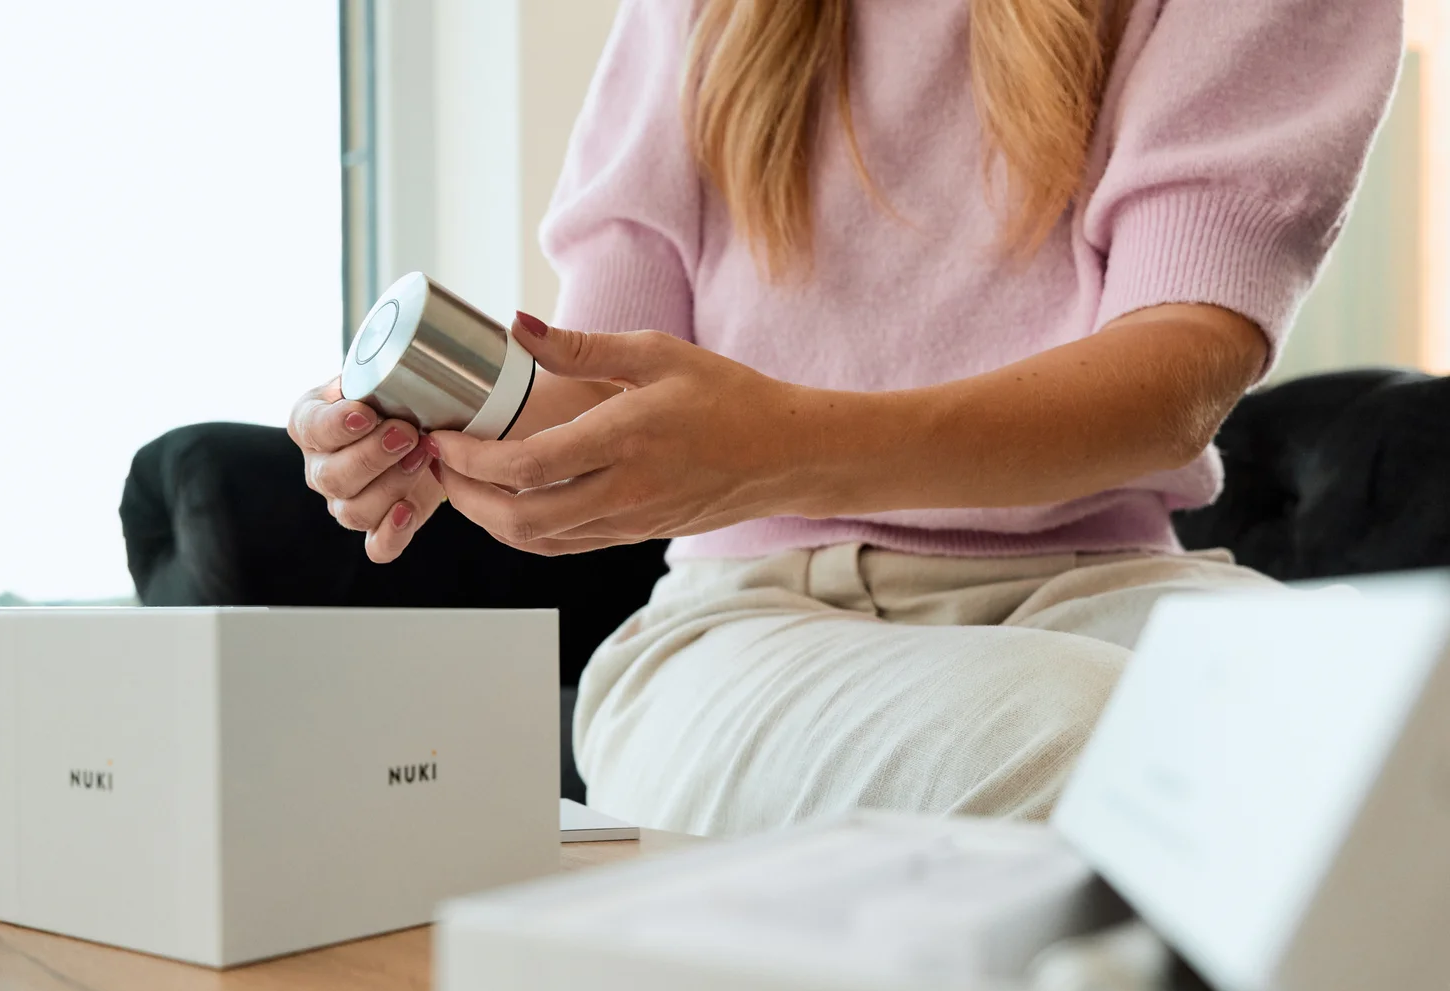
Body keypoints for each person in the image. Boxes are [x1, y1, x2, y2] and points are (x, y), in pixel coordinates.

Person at [286, 0, 1401, 836]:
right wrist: (443, 440)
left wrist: (778, 446)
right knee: (1133, 752)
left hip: (1100, 588)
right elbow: (608, 391)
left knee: (1383, 770)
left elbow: (1177, 378)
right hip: (740, 627)